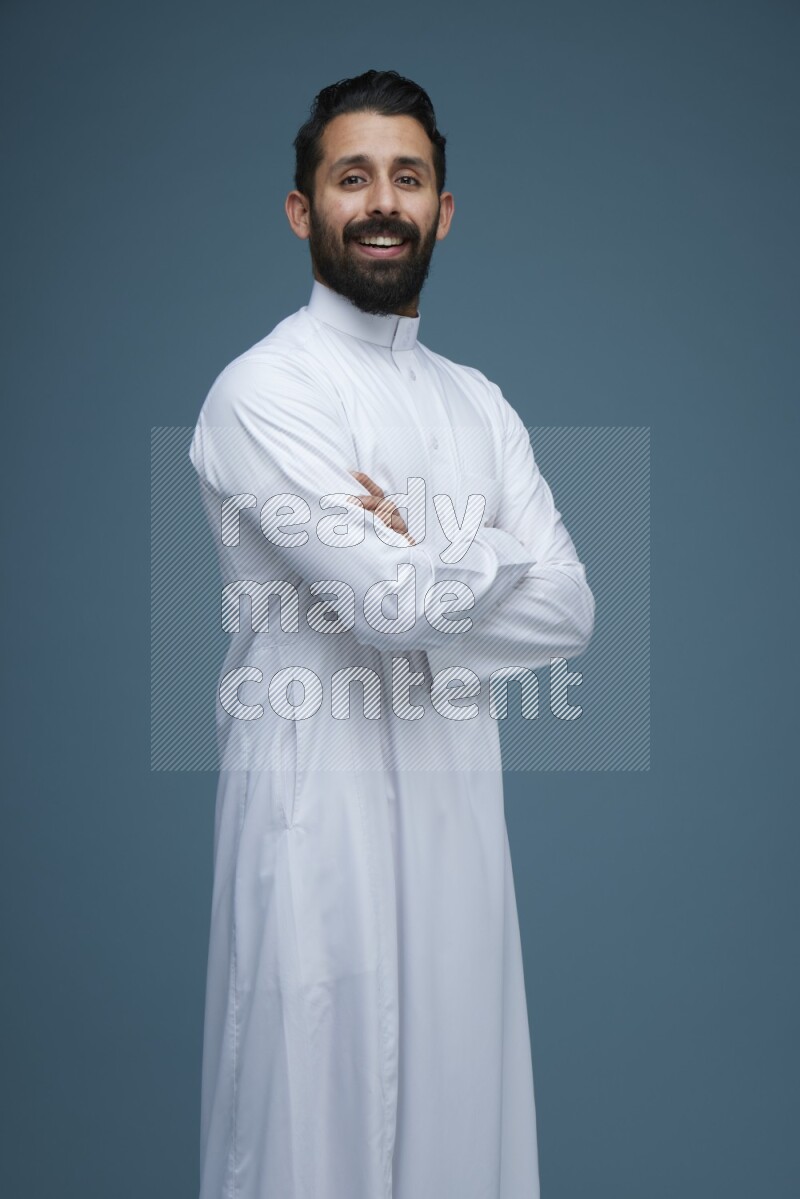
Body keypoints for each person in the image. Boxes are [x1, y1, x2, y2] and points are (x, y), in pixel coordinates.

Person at [189, 68, 594, 1199]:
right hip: (311, 813)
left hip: (458, 818)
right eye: (350, 175)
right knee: (307, 1128)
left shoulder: (479, 401)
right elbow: (388, 606)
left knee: (462, 1133)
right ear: (300, 207)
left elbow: (569, 608)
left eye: (405, 178)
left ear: (441, 209)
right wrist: (474, 554)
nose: (381, 201)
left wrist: (424, 555)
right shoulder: (263, 392)